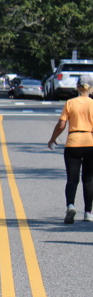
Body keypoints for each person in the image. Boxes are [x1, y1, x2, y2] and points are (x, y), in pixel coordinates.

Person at [47, 73, 93, 223]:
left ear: (77, 87)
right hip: (90, 142)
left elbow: (61, 125)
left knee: (72, 179)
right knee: (88, 179)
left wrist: (52, 139)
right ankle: (88, 212)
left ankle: (70, 206)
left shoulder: (70, 103)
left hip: (73, 143)